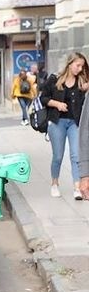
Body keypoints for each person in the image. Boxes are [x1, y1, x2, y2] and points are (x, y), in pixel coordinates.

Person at [38, 52, 89, 200]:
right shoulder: (54, 79)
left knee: (75, 155)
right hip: (57, 122)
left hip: (74, 123)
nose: (79, 69)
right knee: (58, 156)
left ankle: (77, 187)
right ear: (69, 63)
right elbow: (43, 98)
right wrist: (57, 104)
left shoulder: (82, 81)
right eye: (77, 65)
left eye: (82, 66)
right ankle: (54, 183)